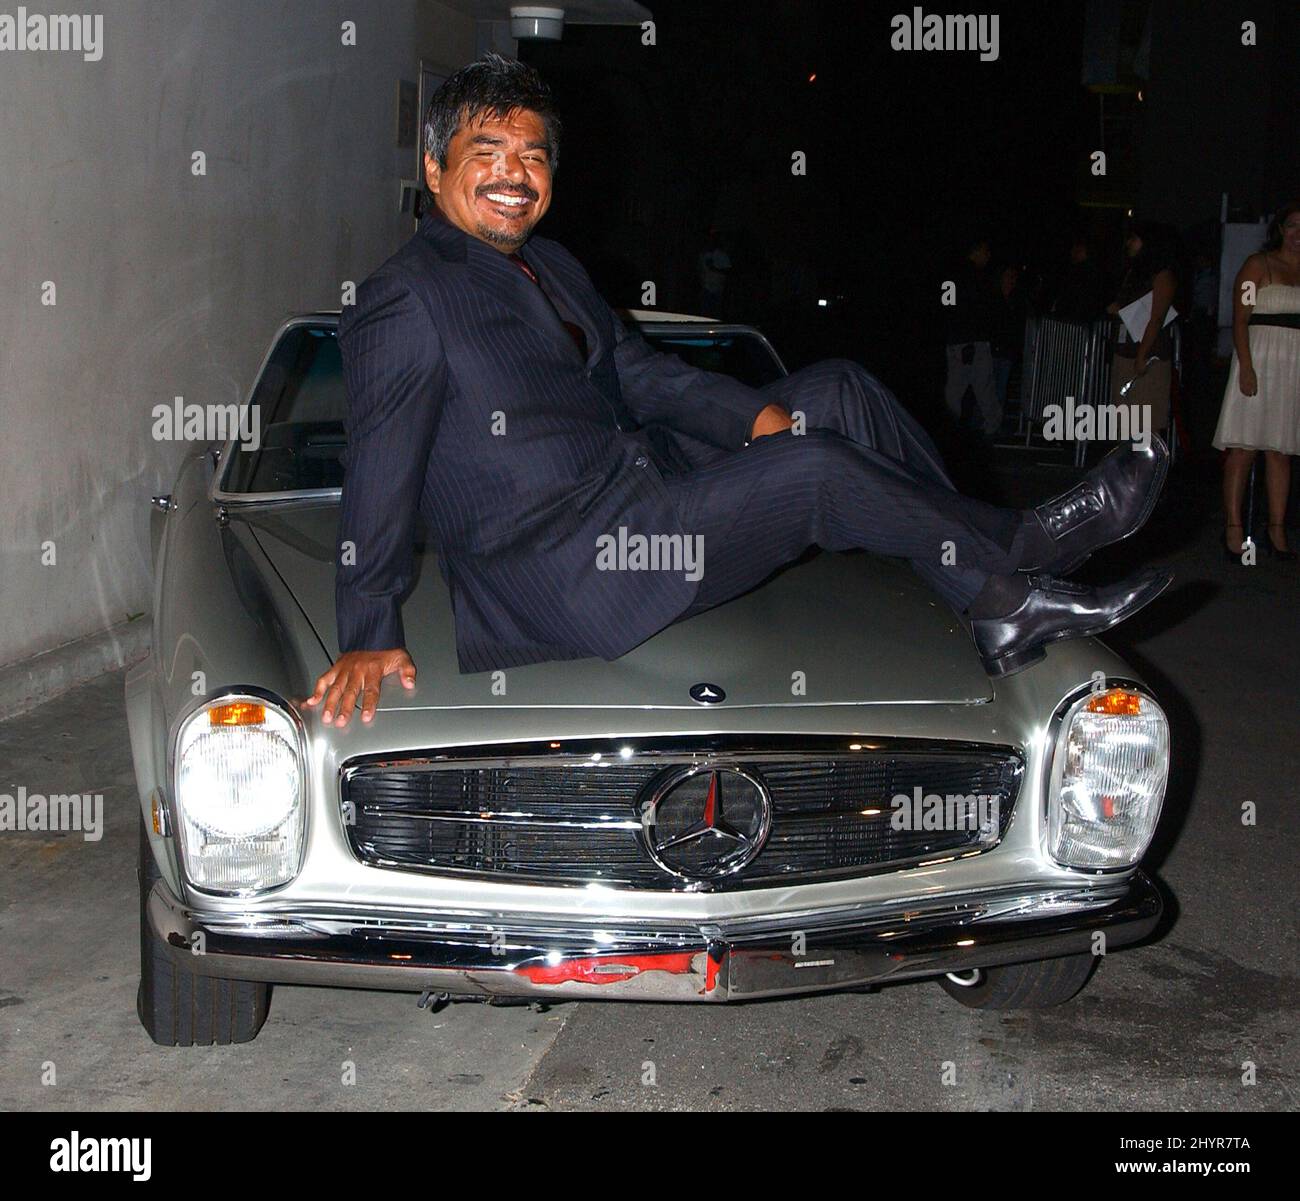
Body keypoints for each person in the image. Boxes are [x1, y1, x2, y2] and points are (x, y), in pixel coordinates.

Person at [304, 53, 1172, 726]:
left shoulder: (552, 265)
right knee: (810, 470)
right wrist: (369, 631)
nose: (513, 174)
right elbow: (380, 461)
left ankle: (990, 602)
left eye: (532, 156)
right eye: (485, 151)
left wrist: (750, 411)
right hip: (570, 567)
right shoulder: (405, 295)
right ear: (434, 164)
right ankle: (1027, 545)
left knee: (837, 391)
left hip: (640, 489)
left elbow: (638, 373)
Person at [1213, 200, 1300, 561]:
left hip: (1293, 363)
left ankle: (1276, 528)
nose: (1299, 234)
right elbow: (1240, 319)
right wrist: (1246, 367)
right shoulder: (1258, 264)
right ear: (1281, 228)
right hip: (1259, 358)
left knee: (1280, 450)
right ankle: (1234, 528)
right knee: (1244, 446)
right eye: (1293, 225)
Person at [1107, 221, 1179, 438]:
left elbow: (1156, 318)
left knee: (1145, 424)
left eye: (1134, 238)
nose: (1129, 243)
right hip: (1126, 350)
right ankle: (1129, 470)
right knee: (1123, 423)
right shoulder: (1134, 272)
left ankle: (1146, 471)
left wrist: (1142, 355)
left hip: (1148, 355)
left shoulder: (1163, 275)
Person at [943, 237, 1001, 437]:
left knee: (954, 389)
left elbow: (947, 307)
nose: (988, 256)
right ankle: (991, 427)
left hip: (954, 340)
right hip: (972, 341)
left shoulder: (951, 276)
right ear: (976, 252)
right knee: (984, 387)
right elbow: (979, 309)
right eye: (985, 251)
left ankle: (949, 428)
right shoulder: (976, 276)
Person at [990, 263, 1027, 415]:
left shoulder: (1016, 300)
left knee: (1001, 388)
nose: (1011, 281)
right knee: (987, 386)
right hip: (992, 348)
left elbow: (1019, 324)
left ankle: (994, 421)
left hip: (1007, 350)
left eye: (1013, 278)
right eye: (1008, 277)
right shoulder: (993, 297)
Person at [1052, 236, 1107, 324]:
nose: (1073, 253)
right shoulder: (1073, 270)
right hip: (1073, 319)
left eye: (1078, 251)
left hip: (1075, 319)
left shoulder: (1085, 272)